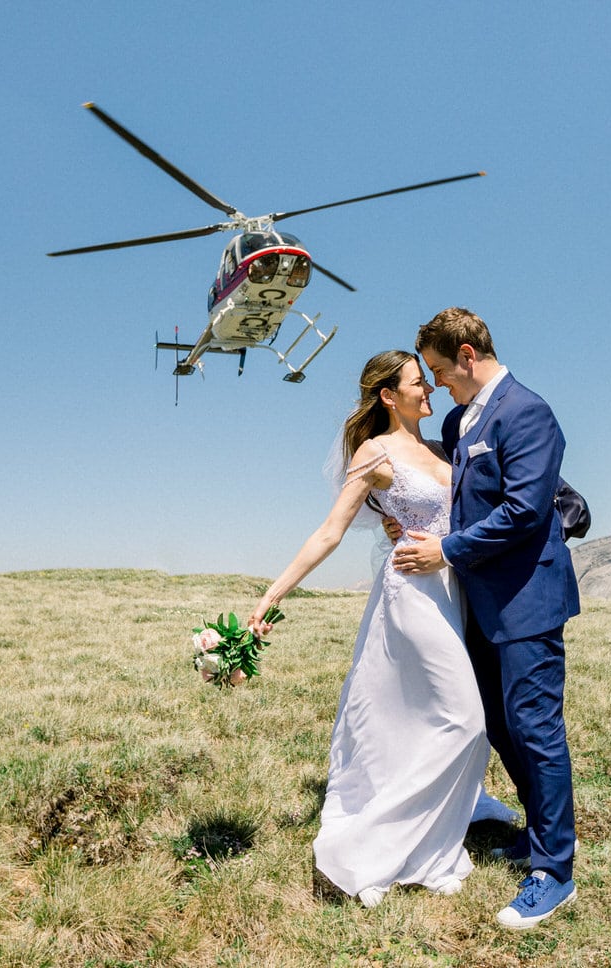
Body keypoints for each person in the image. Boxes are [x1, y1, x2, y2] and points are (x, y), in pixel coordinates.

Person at [247, 351, 489, 909]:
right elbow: (330, 531)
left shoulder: (439, 447)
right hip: (411, 594)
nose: (429, 387)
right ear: (388, 396)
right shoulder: (374, 452)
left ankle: (432, 831)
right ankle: (379, 841)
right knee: (465, 721)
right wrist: (274, 592)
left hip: (455, 593)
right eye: (416, 382)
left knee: (424, 717)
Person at [390, 308, 581, 930]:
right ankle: (536, 832)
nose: (439, 382)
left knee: (535, 727)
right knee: (496, 725)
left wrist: (444, 550)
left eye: (443, 370)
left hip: (527, 601)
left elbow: (525, 512)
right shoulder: (456, 418)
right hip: (478, 605)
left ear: (468, 355)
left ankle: (554, 871)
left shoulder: (528, 412)